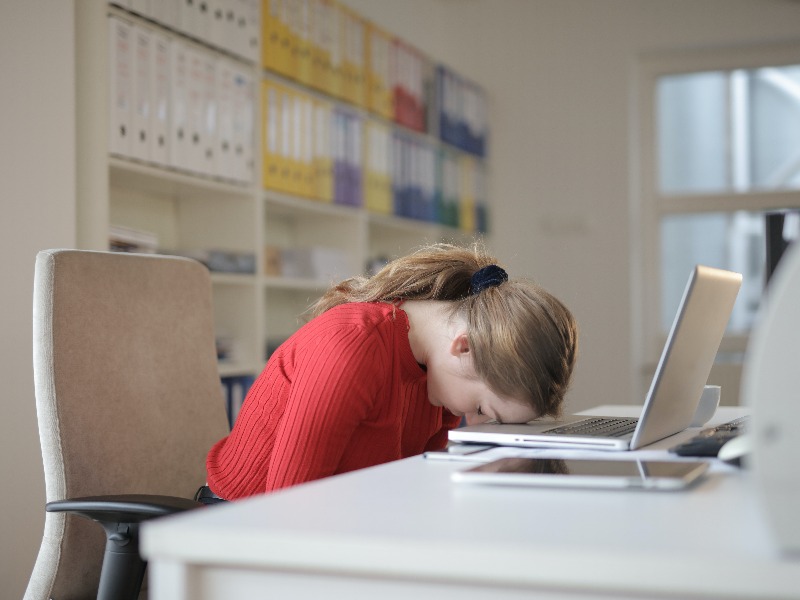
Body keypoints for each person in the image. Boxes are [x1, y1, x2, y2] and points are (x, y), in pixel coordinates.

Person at [203, 242, 578, 501]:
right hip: (241, 526)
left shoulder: (441, 377)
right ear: (463, 347)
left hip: (340, 520)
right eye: (483, 411)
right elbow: (288, 510)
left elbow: (412, 488)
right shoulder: (352, 346)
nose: (475, 425)